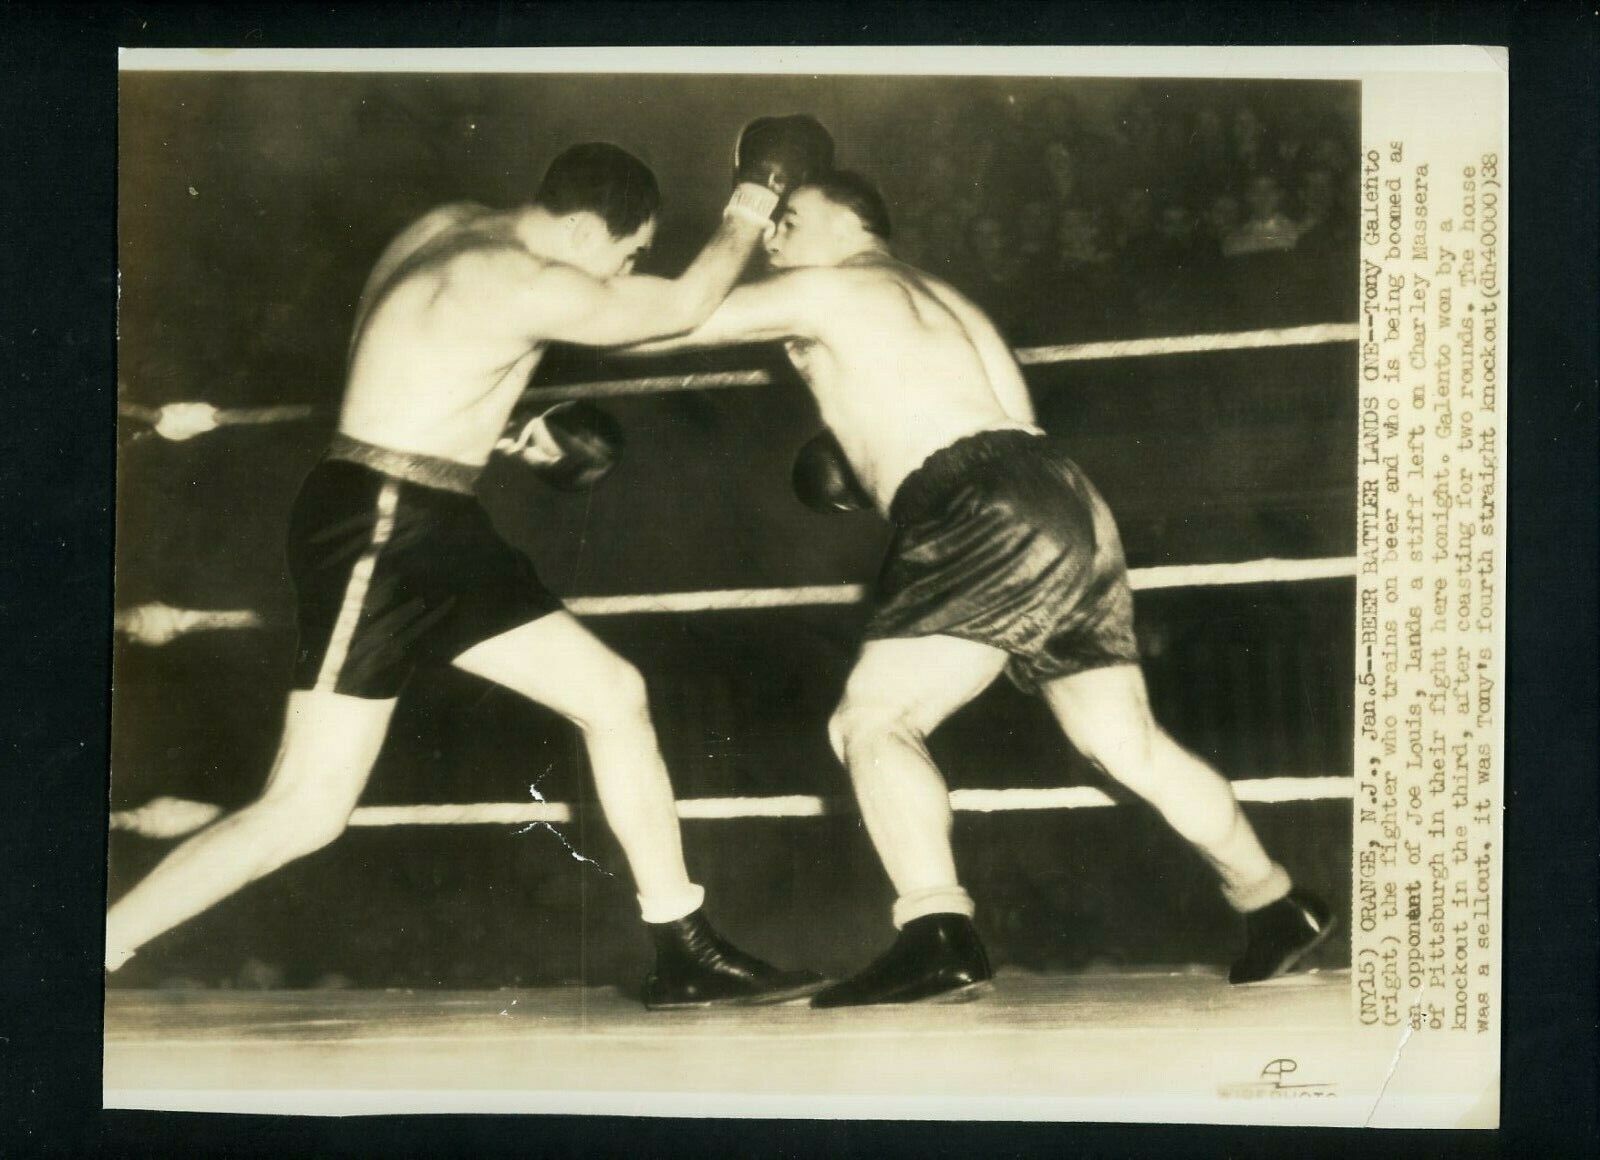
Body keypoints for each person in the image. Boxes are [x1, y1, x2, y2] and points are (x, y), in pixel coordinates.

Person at [106, 121, 836, 1009]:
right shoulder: (529, 280)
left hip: (429, 514)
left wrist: (488, 434)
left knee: (612, 694)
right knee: (304, 809)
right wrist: (757, 192)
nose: (616, 277)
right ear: (580, 232)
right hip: (382, 528)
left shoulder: (447, 227)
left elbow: (404, 357)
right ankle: (94, 949)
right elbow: (682, 308)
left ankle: (682, 943)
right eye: (625, 255)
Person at [615, 171, 1333, 1006]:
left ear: (851, 220)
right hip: (1061, 495)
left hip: (974, 502)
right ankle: (1275, 900)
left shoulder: (831, 288)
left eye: (790, 219)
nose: (774, 238)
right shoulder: (949, 301)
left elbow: (658, 323)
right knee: (1121, 740)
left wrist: (550, 308)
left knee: (875, 721)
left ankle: (936, 933)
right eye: (770, 223)